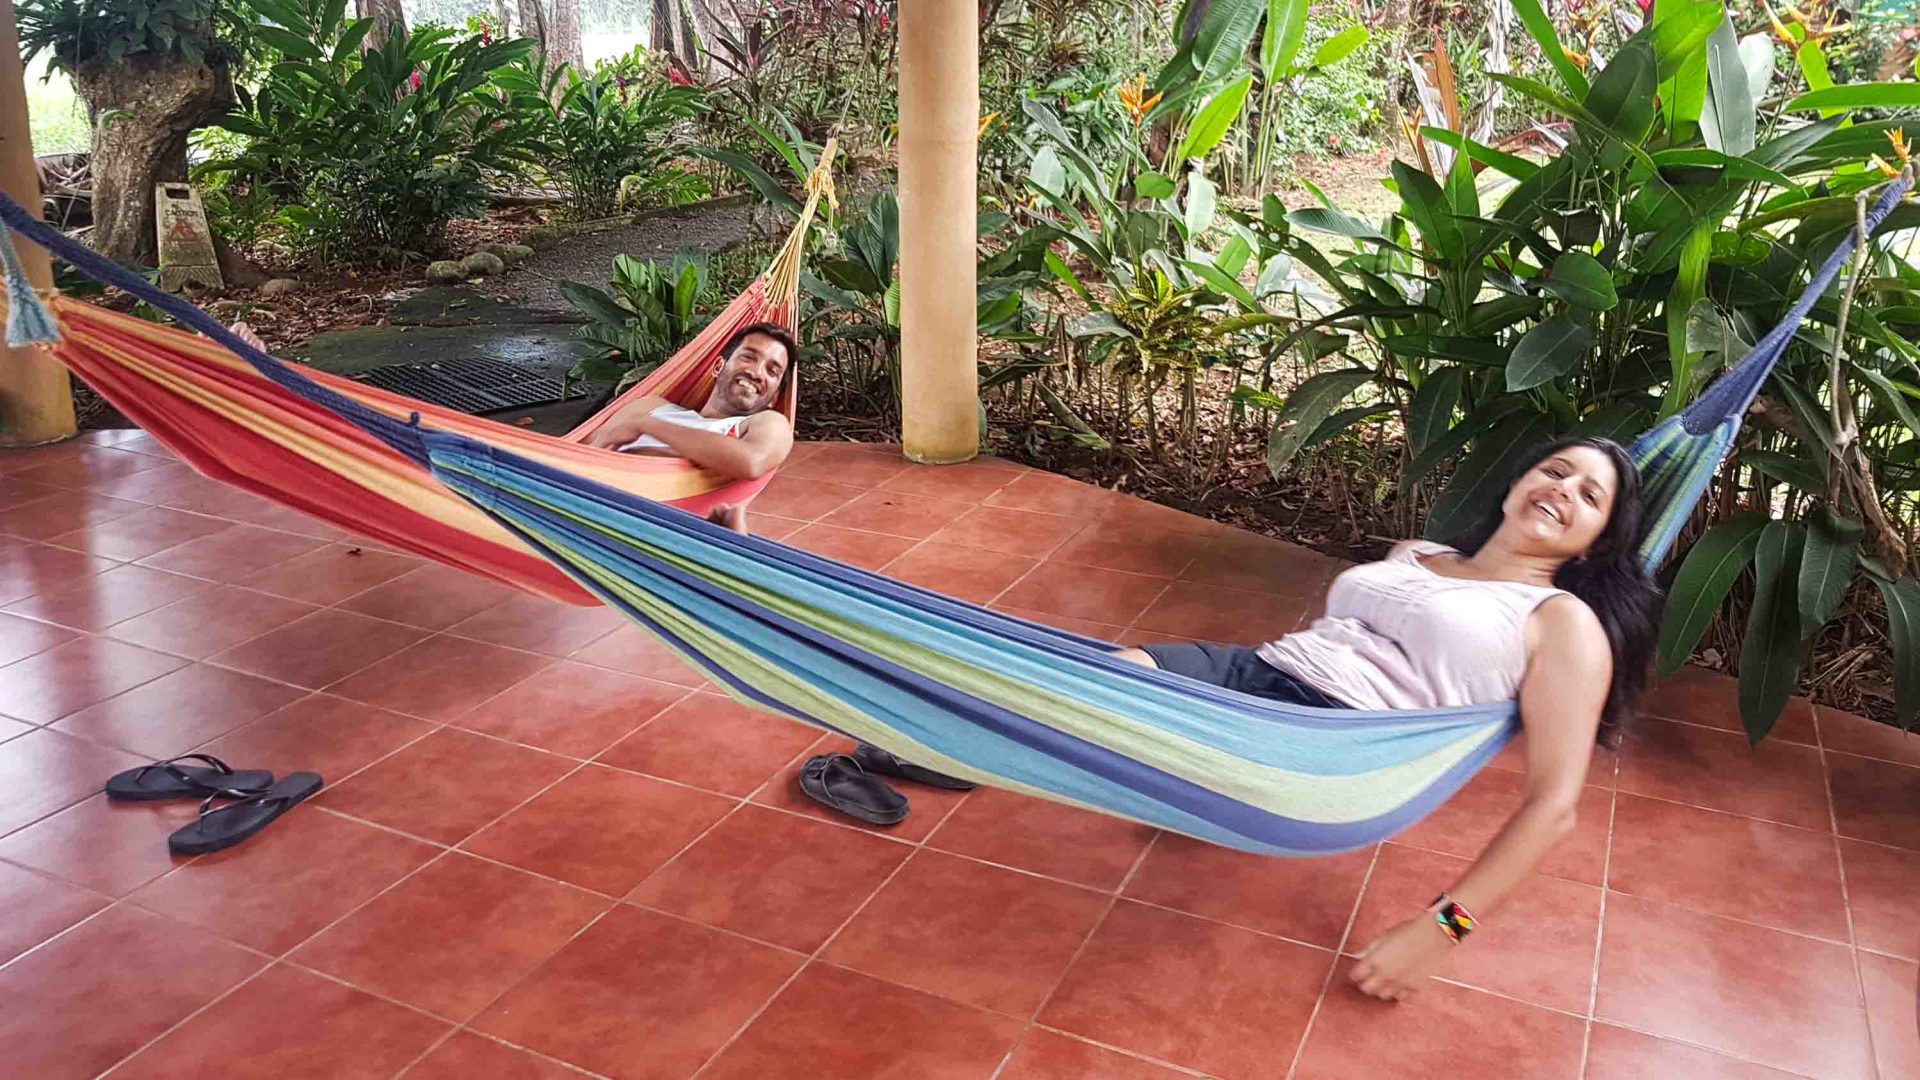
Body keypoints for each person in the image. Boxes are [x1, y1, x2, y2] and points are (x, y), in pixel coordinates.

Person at [1115, 436, 1659, 1003]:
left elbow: (1554, 808)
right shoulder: (1416, 551)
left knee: (1118, 717)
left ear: (1595, 546)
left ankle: (1196, 780)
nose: (1563, 489)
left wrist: (1442, 934)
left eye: (1589, 495)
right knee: (1093, 681)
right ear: (1516, 485)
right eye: (1555, 470)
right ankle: (1194, 787)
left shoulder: (1563, 623)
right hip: (1254, 672)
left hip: (1327, 741)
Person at [584, 322, 798, 534]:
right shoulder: (650, 406)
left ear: (774, 398)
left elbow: (752, 461)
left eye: (772, 371)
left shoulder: (768, 424)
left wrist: (646, 426)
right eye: (748, 357)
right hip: (583, 506)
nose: (757, 372)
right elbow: (578, 451)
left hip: (653, 528)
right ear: (718, 367)